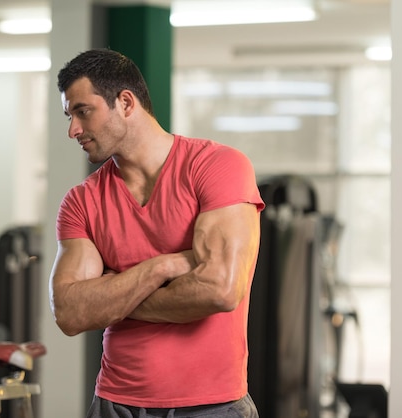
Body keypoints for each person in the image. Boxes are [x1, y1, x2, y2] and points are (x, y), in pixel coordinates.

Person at [49, 48, 265, 418]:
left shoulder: (216, 167)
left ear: (126, 103)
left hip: (212, 406)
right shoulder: (81, 201)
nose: (73, 130)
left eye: (83, 112)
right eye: (69, 116)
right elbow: (70, 312)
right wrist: (161, 269)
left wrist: (114, 298)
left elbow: (220, 290)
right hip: (115, 404)